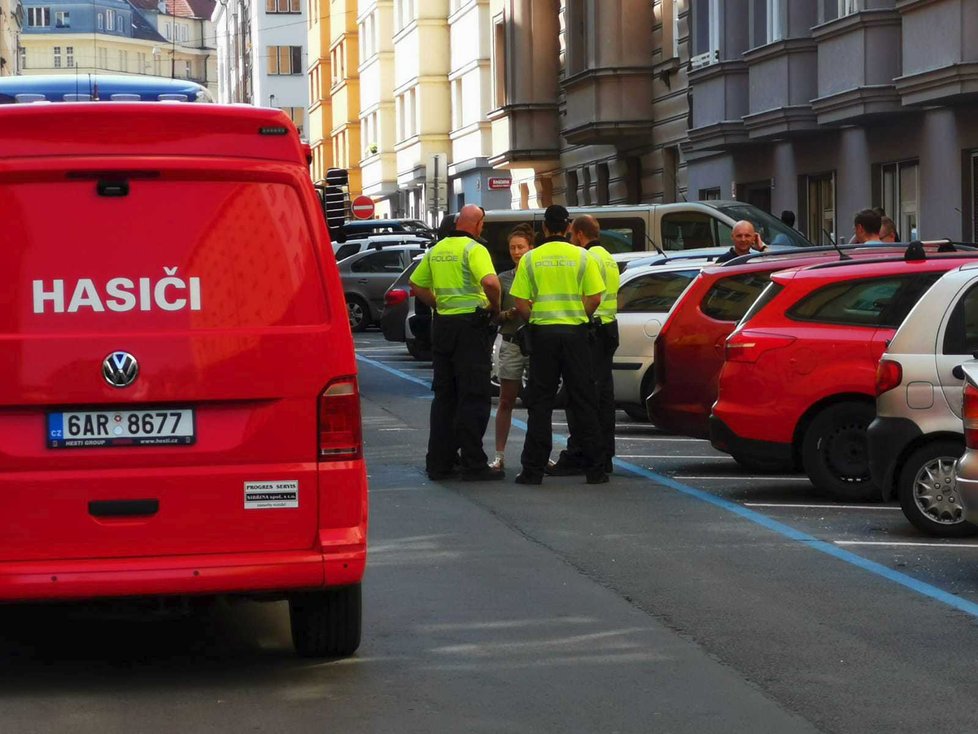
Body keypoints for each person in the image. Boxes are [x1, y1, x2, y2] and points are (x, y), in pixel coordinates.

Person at [510, 204, 608, 485]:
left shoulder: (530, 259)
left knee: (539, 403)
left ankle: (533, 470)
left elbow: (519, 301)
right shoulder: (582, 257)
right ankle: (595, 470)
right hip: (575, 334)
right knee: (584, 401)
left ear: (544, 228)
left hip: (543, 336)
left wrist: (536, 319)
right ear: (567, 228)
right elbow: (595, 298)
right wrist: (579, 316)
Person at [410, 204, 504, 481]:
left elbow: (416, 284)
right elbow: (491, 283)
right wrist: (494, 308)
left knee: (444, 396)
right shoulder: (474, 250)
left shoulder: (437, 250)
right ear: (477, 224)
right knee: (473, 395)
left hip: (444, 327)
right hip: (470, 329)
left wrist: (438, 304)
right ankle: (473, 463)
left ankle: (439, 462)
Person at [549, 215, 619, 475]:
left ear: (578, 234)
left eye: (571, 236)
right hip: (609, 328)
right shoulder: (608, 257)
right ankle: (604, 454)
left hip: (592, 329)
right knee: (603, 398)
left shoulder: (587, 258)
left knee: (580, 394)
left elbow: (590, 296)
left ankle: (580, 453)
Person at [489, 223, 535, 471]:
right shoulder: (503, 278)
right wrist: (509, 313)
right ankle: (499, 455)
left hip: (535, 344)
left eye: (521, 247)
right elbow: (494, 317)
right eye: (512, 247)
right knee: (506, 400)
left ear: (531, 248)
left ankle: (539, 452)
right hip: (511, 343)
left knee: (537, 401)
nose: (517, 252)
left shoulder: (538, 276)